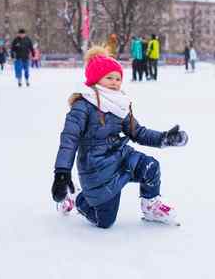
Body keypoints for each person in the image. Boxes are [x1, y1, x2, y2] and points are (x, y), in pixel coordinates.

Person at [51, 46, 188, 229]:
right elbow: (69, 139)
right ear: (95, 79)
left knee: (150, 166)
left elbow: (137, 132)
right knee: (104, 221)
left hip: (121, 156)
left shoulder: (120, 104)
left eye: (118, 78)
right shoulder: (82, 106)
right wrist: (62, 172)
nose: (115, 82)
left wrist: (164, 138)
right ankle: (76, 197)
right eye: (109, 78)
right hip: (96, 169)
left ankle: (151, 207)